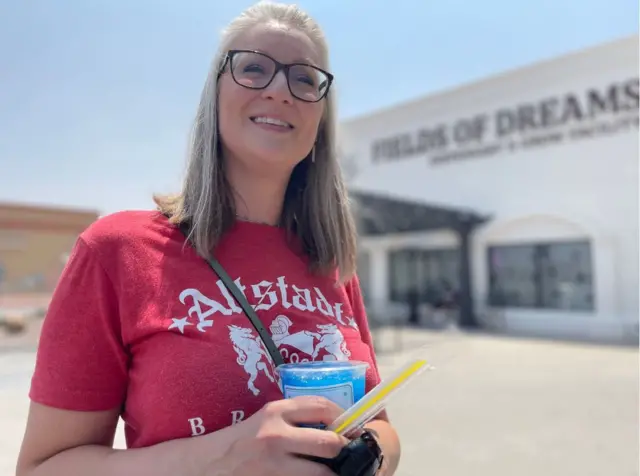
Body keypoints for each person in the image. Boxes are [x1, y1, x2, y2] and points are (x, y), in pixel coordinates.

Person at [16, 2, 401, 475]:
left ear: (321, 115)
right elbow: (42, 468)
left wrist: (370, 457)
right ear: (214, 96)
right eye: (254, 68)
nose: (281, 89)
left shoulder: (333, 266)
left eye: (304, 79)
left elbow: (379, 423)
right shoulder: (118, 251)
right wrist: (223, 458)